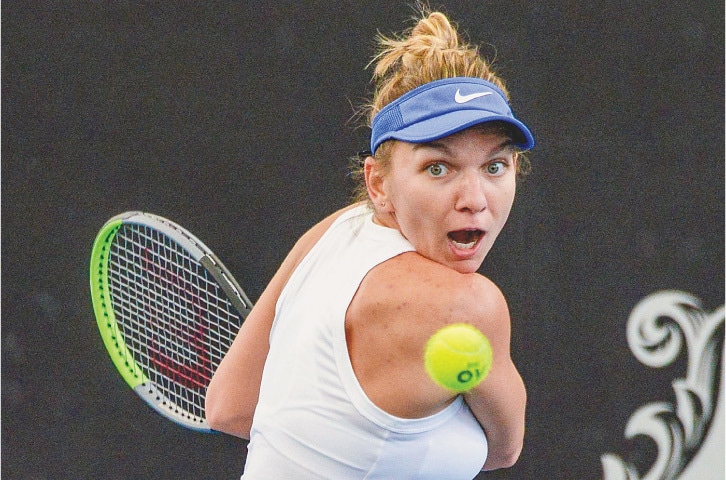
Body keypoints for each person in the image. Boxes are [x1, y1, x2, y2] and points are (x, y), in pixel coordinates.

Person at [205, 7, 532, 479]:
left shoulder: (335, 231)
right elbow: (503, 450)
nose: (475, 200)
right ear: (379, 183)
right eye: (438, 168)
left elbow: (229, 406)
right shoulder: (470, 307)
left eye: (495, 166)